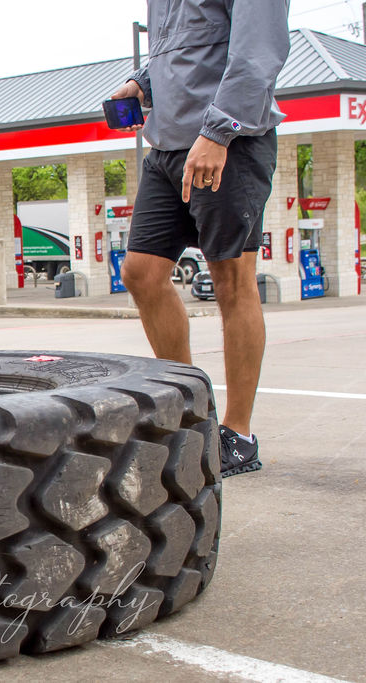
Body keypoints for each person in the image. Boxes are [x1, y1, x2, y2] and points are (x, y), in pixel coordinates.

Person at [114, 0, 289, 478]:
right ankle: (191, 413)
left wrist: (219, 131)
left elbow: (258, 53)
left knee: (232, 278)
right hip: (167, 145)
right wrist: (141, 83)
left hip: (228, 140)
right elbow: (176, 49)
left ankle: (238, 434)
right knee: (141, 273)